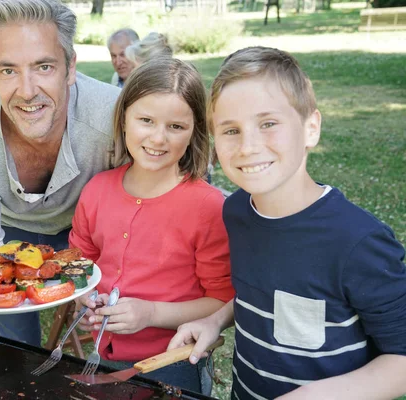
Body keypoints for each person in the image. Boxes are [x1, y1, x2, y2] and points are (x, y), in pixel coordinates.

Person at [168, 46, 406, 399]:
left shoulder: (358, 242)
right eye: (230, 130)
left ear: (310, 128)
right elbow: (265, 295)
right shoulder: (236, 212)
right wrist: (215, 320)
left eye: (268, 124)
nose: (248, 146)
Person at [0, 0, 120, 347]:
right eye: (8, 71)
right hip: (6, 233)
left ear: (70, 68)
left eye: (44, 67)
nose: (26, 91)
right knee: (13, 346)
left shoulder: (114, 118)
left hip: (91, 230)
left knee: (113, 338)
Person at [69, 57, 235, 395]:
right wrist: (85, 301)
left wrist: (151, 313)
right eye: (146, 120)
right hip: (102, 356)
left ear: (194, 132)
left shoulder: (207, 207)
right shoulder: (97, 190)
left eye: (176, 126)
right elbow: (77, 267)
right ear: (124, 119)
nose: (158, 139)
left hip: (175, 363)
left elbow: (221, 301)